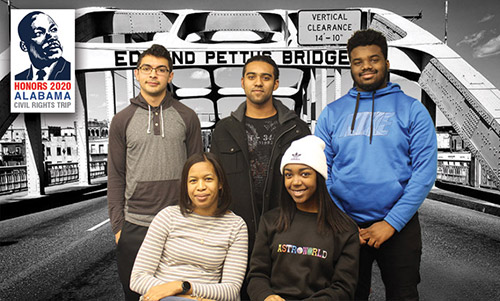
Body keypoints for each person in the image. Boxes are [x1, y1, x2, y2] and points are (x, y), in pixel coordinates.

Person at [315, 29, 437, 300]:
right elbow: (321, 170)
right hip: (346, 226)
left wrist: (391, 223)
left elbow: (424, 173)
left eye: (374, 59)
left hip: (399, 227)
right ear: (351, 67)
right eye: (358, 62)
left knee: (403, 294)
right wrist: (342, 220)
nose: (366, 66)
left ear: (387, 64)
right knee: (348, 295)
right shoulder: (332, 113)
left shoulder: (412, 109)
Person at [107, 44, 202, 300]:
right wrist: (119, 228)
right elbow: (115, 176)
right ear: (137, 74)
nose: (153, 74)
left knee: (178, 297)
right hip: (135, 225)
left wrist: (197, 222)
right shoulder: (121, 120)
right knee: (137, 296)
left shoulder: (188, 116)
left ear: (170, 76)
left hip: (179, 224)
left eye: (161, 70)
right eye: (147, 68)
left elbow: (198, 174)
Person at [210, 55, 310, 255]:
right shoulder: (224, 130)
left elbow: (310, 184)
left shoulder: (297, 129)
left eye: (265, 77)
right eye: (251, 76)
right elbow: (215, 183)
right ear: (242, 82)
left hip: (286, 230)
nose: (258, 82)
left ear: (276, 84)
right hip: (236, 233)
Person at [247, 135, 359, 300]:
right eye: (288, 175)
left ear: (319, 177)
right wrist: (266, 296)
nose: (295, 182)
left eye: (305, 174)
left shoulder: (345, 229)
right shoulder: (270, 221)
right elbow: (257, 275)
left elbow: (343, 288)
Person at [130, 152, 248, 301]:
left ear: (220, 183)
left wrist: (183, 287)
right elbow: (138, 279)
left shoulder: (236, 226)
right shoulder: (167, 217)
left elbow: (231, 290)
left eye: (208, 179)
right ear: (185, 186)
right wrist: (188, 298)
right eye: (193, 181)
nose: (200, 187)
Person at [15, 11, 71, 80]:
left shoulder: (71, 72)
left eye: (53, 29)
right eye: (39, 33)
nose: (51, 36)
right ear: (24, 46)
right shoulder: (18, 79)